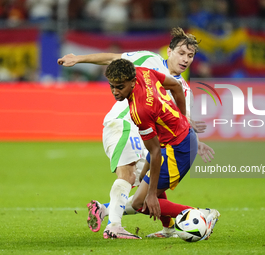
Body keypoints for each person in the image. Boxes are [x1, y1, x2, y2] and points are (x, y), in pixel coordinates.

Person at [57, 27, 215, 238]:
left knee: (147, 187)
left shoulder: (185, 91)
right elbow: (113, 59)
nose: (185, 59)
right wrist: (79, 59)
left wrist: (194, 137)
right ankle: (113, 219)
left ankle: (125, 216)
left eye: (190, 55)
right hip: (130, 128)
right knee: (138, 182)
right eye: (181, 53)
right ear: (169, 51)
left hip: (153, 139)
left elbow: (180, 122)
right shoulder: (149, 62)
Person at [104, 58, 219, 240]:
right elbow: (176, 86)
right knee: (144, 177)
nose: (115, 92)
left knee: (140, 202)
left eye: (120, 87)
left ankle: (203, 214)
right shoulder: (143, 72)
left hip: (177, 150)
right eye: (112, 86)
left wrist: (151, 195)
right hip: (176, 140)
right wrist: (182, 120)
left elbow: (156, 152)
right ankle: (169, 229)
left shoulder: (139, 111)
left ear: (132, 82)